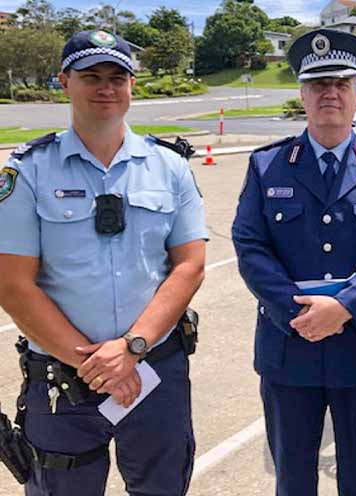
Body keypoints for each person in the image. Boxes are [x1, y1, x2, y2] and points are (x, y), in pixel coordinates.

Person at [0, 30, 207, 495]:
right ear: (64, 82)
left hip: (153, 368)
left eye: (117, 77)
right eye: (90, 76)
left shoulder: (168, 166)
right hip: (62, 377)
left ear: (132, 86)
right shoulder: (28, 169)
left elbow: (190, 265)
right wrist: (97, 365)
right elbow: (12, 284)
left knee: (162, 487)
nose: (105, 88)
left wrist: (131, 348)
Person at [231, 28, 356, 496]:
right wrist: (300, 312)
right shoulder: (267, 165)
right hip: (288, 347)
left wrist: (345, 306)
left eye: (341, 84)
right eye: (317, 84)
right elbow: (250, 245)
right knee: (293, 477)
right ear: (302, 95)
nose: (329, 93)